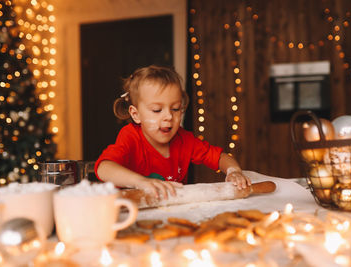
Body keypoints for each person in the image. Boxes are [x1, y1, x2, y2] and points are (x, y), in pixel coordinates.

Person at [95, 65, 251, 199]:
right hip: (133, 212)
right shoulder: (130, 136)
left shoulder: (184, 140)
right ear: (136, 114)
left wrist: (234, 171)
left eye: (175, 109)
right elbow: (103, 168)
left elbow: (220, 158)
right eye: (157, 110)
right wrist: (141, 182)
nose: (169, 116)